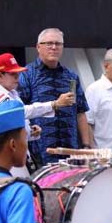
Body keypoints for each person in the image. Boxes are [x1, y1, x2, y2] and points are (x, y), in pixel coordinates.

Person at [18, 28, 92, 167]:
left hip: (70, 151)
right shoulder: (27, 75)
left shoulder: (71, 77)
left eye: (58, 44)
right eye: (49, 43)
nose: (54, 47)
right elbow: (20, 111)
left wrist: (86, 145)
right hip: (39, 152)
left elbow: (81, 112)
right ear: (38, 47)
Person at [0, 53, 72, 142]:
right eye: (13, 74)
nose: (17, 77)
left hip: (16, 151)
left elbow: (16, 124)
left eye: (18, 73)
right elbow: (19, 112)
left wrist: (30, 131)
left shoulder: (13, 94)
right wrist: (54, 104)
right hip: (4, 153)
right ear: (0, 76)